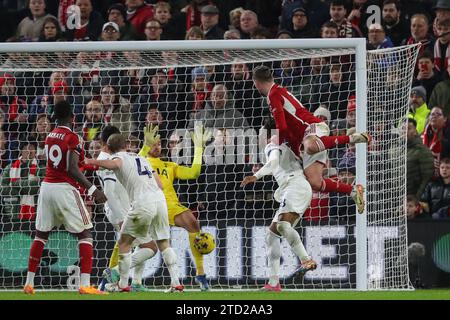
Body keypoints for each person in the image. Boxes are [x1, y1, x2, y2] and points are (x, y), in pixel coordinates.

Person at [252, 65, 370, 213]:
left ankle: (351, 138)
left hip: (312, 126)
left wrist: (276, 143)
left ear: (256, 82)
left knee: (310, 146)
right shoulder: (278, 90)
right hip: (304, 138)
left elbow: (281, 127)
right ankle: (353, 190)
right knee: (315, 182)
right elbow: (287, 129)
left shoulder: (273, 94)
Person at [23, 100, 107, 295]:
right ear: (72, 117)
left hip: (46, 188)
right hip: (64, 189)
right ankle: (85, 284)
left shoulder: (50, 136)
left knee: (41, 234)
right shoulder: (73, 137)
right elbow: (71, 168)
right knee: (85, 233)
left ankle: (29, 283)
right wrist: (93, 190)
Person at [85, 133, 183, 293]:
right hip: (160, 201)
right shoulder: (142, 158)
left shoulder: (117, 159)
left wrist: (89, 161)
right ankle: (176, 283)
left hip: (142, 203)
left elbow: (113, 165)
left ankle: (123, 284)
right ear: (126, 145)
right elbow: (160, 184)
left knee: (124, 243)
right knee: (163, 242)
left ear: (108, 148)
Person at [240, 118, 316, 292]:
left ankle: (306, 260)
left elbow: (273, 162)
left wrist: (256, 176)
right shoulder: (284, 142)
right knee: (271, 236)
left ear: (267, 133)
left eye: (260, 131)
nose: (258, 135)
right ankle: (273, 283)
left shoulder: (272, 143)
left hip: (294, 186)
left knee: (282, 225)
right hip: (296, 187)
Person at [137, 124, 212, 291]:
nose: (157, 147)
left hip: (170, 205)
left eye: (159, 144)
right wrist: (145, 146)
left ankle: (200, 274)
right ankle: (129, 280)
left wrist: (199, 148)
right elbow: (134, 164)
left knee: (193, 223)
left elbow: (194, 173)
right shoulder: (141, 160)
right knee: (143, 245)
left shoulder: (169, 166)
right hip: (148, 204)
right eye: (153, 143)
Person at [95, 126, 158, 292]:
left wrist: (145, 146)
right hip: (120, 211)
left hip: (127, 207)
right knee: (148, 247)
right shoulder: (106, 160)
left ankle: (131, 283)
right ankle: (112, 278)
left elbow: (134, 163)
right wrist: (123, 217)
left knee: (131, 244)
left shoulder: (113, 157)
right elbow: (108, 192)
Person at [407, 118, 434, 198]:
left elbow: (427, 178)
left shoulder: (423, 151)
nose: (404, 131)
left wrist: (417, 198)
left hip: (412, 199)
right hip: (394, 199)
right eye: (402, 128)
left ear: (415, 131)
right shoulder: (393, 149)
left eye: (408, 128)